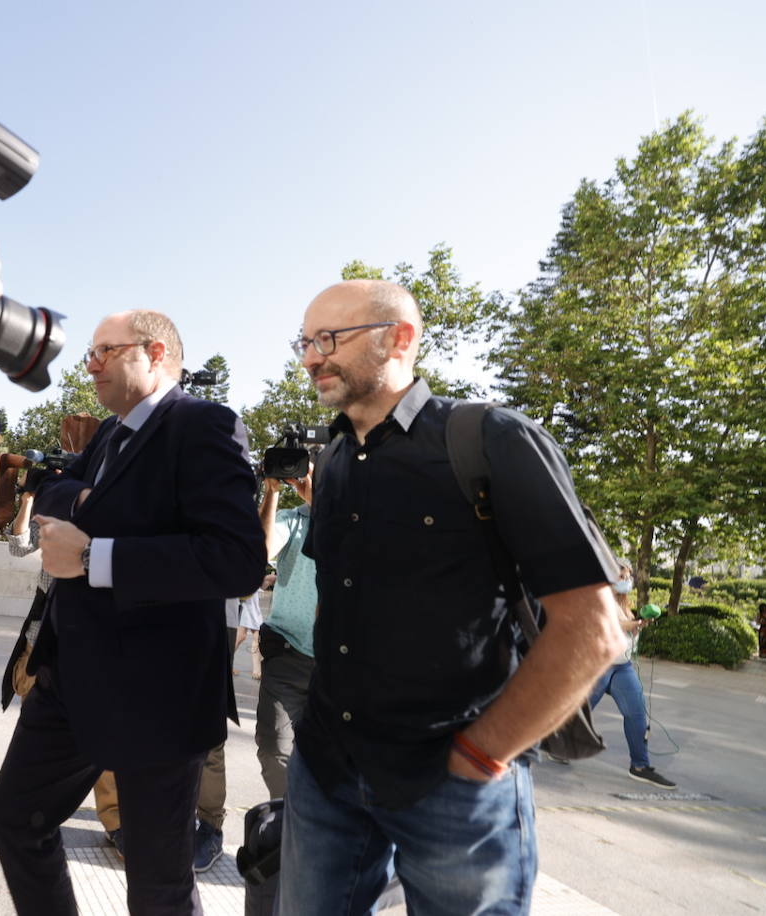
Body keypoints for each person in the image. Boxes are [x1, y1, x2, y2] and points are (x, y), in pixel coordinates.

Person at [277, 280, 625, 915]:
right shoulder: (330, 464)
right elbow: (336, 604)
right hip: (326, 772)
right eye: (304, 342)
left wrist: (482, 753)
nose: (309, 358)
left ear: (399, 339)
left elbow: (595, 629)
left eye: (329, 339)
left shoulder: (490, 440)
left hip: (455, 785)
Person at [0, 310, 266, 915]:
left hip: (158, 692)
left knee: (157, 878)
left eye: (103, 352)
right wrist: (89, 499)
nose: (89, 366)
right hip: (69, 678)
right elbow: (56, 486)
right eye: (89, 353)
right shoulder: (111, 434)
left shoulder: (205, 425)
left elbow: (237, 559)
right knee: (14, 820)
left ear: (155, 351)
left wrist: (96, 555)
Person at [2, 490, 125, 859]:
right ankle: (35, 804)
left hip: (94, 643)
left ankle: (118, 820)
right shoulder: (58, 518)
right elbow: (18, 546)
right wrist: (27, 501)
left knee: (100, 739)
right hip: (43, 639)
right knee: (38, 726)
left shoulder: (113, 521)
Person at [572, 564, 675, 788]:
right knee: (577, 712)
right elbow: (611, 624)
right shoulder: (598, 599)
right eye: (622, 576)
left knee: (637, 715)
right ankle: (548, 741)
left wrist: (637, 626)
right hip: (599, 666)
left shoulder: (622, 603)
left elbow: (625, 626)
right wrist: (633, 624)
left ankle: (640, 766)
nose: (627, 580)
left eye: (628, 577)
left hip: (622, 667)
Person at [256, 470, 318, 800]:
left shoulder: (359, 520)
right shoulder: (291, 519)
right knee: (272, 748)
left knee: (332, 758)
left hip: (340, 661)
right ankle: (287, 820)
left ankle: (309, 826)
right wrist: (273, 491)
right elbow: (259, 551)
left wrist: (322, 504)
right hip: (288, 650)